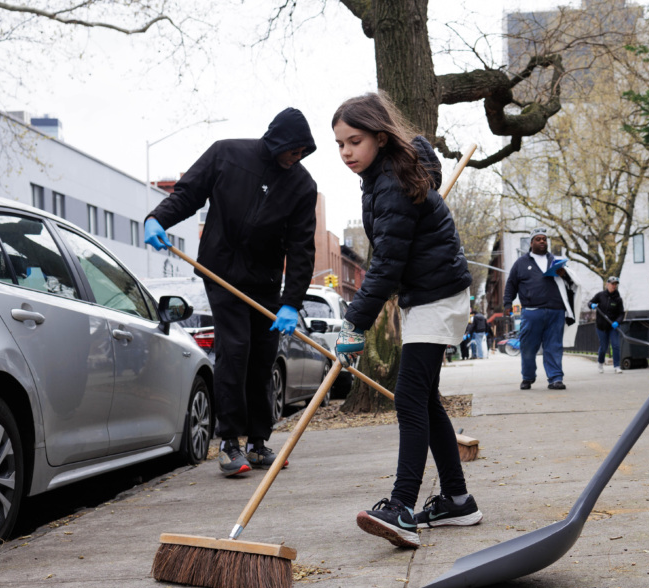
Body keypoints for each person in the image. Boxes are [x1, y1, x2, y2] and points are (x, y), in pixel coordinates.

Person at [331, 92, 482, 549]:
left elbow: (386, 264)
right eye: (339, 144)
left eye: (354, 141)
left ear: (380, 136)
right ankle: (457, 500)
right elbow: (392, 258)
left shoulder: (394, 182)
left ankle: (401, 506)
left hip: (438, 296)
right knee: (425, 399)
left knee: (409, 398)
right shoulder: (383, 177)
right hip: (430, 294)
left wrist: (354, 323)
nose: (346, 152)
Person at [144, 108, 318, 478]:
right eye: (292, 150)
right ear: (277, 142)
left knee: (263, 358)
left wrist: (292, 302)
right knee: (235, 351)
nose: (296, 158)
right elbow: (188, 193)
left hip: (267, 283)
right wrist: (157, 218)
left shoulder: (303, 186)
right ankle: (228, 443)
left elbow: (302, 248)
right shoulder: (226, 154)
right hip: (221, 272)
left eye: (303, 152)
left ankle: (258, 443)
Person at [503, 229, 577, 390]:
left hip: (555, 311)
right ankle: (528, 377)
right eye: (538, 239)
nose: (542, 241)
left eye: (544, 239)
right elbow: (511, 284)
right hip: (531, 312)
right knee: (528, 347)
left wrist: (564, 274)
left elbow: (572, 284)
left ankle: (555, 378)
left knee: (554, 346)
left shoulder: (556, 261)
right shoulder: (521, 263)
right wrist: (507, 304)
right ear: (531, 243)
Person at [588, 276, 625, 374]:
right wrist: (592, 305)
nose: (614, 286)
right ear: (607, 284)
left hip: (613, 326)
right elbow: (590, 302)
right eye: (612, 284)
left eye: (615, 284)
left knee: (616, 345)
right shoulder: (600, 295)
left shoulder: (618, 299)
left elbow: (621, 313)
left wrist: (617, 322)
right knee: (604, 347)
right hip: (601, 326)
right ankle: (600, 363)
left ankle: (617, 366)